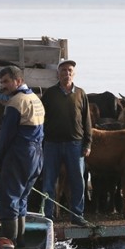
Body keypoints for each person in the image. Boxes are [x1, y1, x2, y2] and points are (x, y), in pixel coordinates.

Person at [0, 65, 45, 248]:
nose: (3, 86)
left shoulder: (15, 103)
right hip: (37, 153)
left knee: (9, 198)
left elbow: (6, 136)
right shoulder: (35, 99)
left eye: (6, 81)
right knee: (22, 197)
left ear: (18, 81)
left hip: (19, 153)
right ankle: (21, 242)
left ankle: (9, 245)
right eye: (1, 82)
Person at [39, 58, 93, 225]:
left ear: (74, 74)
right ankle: (48, 216)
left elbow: (87, 120)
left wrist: (88, 143)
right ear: (58, 73)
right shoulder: (49, 94)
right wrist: (40, 141)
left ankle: (77, 215)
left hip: (75, 144)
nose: (67, 73)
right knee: (49, 181)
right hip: (52, 144)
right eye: (63, 70)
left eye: (70, 71)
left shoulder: (80, 93)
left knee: (77, 181)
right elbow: (41, 118)